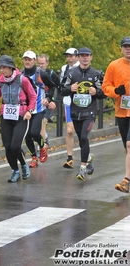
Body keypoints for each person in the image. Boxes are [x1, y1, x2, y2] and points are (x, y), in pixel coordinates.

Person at [0, 55, 36, 182]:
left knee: (15, 146)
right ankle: (15, 171)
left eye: (4, 67)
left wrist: (29, 111)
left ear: (11, 67)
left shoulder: (22, 80)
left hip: (21, 117)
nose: (2, 70)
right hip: (6, 116)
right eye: (0, 67)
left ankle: (23, 164)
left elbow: (33, 97)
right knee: (7, 147)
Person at [61, 47, 105, 181]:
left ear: (91, 57)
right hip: (75, 112)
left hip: (89, 112)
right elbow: (62, 89)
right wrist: (70, 89)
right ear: (78, 57)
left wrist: (96, 92)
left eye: (87, 55)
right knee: (81, 140)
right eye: (82, 55)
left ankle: (82, 168)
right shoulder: (71, 73)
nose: (85, 58)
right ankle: (88, 158)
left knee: (84, 137)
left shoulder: (96, 74)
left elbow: (104, 93)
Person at [102, 36, 130, 193]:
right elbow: (106, 86)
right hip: (121, 112)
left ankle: (126, 181)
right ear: (121, 49)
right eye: (125, 46)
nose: (128, 49)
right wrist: (116, 92)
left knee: (129, 144)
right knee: (128, 148)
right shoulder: (114, 66)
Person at [21, 51, 56, 168]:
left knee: (34, 132)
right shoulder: (20, 74)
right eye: (25, 59)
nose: (27, 61)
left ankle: (42, 146)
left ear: (34, 61)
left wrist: (48, 98)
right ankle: (34, 158)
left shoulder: (41, 73)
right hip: (25, 110)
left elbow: (52, 86)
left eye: (29, 59)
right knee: (26, 136)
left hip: (38, 108)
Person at [60, 48, 80, 169]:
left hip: (81, 104)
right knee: (69, 131)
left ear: (77, 57)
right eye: (67, 56)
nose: (69, 58)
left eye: (71, 56)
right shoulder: (64, 68)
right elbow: (62, 85)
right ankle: (69, 157)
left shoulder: (82, 67)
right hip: (68, 102)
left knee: (81, 131)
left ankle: (85, 155)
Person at [37, 54, 61, 148]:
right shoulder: (34, 73)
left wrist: (54, 101)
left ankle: (41, 147)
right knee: (36, 127)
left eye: (42, 63)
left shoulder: (52, 74)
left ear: (47, 63)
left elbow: (59, 88)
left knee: (43, 123)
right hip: (37, 103)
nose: (40, 66)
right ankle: (45, 137)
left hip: (47, 102)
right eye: (39, 63)